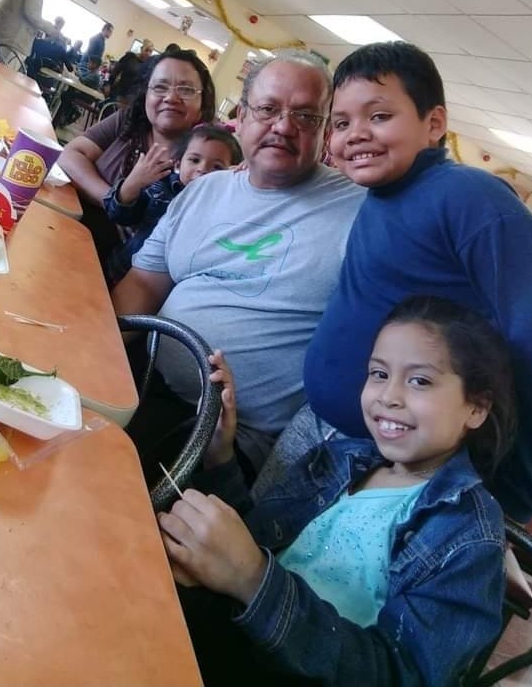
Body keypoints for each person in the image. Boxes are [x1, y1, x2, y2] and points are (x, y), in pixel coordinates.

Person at [160, 296, 515, 687]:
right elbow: (253, 538)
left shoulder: (467, 535)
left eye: (420, 381)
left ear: (476, 409)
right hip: (213, 637)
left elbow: (401, 675)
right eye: (379, 374)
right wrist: (220, 458)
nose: (388, 396)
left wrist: (253, 580)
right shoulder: (338, 457)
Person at [297, 40, 532, 523]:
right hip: (334, 437)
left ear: (434, 124)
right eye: (341, 123)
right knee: (272, 557)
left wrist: (513, 495)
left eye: (379, 116)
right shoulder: (379, 192)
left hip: (406, 468)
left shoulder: (468, 195)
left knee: (329, 592)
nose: (355, 134)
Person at [112, 54, 364, 476]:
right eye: (268, 110)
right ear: (242, 117)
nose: (284, 126)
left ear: (324, 133)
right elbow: (143, 283)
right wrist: (97, 356)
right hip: (144, 376)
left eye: (306, 116)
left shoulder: (362, 212)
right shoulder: (204, 190)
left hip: (231, 437)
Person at [59, 47, 216, 265]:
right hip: (67, 226)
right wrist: (111, 198)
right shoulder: (129, 121)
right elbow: (71, 154)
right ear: (146, 95)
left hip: (118, 268)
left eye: (186, 90)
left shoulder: (206, 161)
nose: (171, 97)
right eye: (160, 87)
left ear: (202, 104)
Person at [104, 124, 243, 287]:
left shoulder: (223, 206)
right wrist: (132, 184)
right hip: (121, 269)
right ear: (177, 164)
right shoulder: (160, 187)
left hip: (165, 288)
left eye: (217, 167)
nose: (202, 169)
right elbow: (119, 214)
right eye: (194, 160)